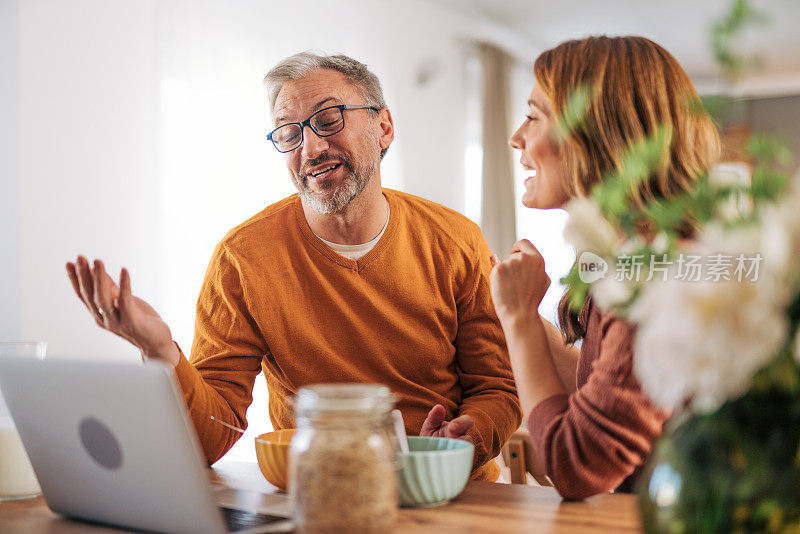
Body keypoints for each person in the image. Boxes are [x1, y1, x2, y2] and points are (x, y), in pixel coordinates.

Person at [66, 52, 521, 481]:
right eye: (289, 133)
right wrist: (161, 351)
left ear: (383, 127)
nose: (312, 147)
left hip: (448, 491)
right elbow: (210, 433)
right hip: (318, 492)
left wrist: (468, 435)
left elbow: (497, 388)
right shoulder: (243, 258)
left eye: (328, 120)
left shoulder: (456, 240)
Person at [490, 36, 720, 499]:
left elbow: (576, 465)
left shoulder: (654, 273)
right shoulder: (623, 256)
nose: (516, 137)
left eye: (534, 116)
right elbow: (607, 384)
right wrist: (513, 312)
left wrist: (519, 322)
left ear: (596, 134)